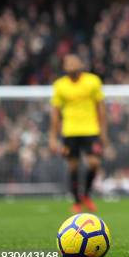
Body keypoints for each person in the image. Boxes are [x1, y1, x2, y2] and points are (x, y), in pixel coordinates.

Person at [49, 54, 108, 213]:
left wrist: (103, 132)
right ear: (64, 67)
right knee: (73, 166)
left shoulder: (93, 81)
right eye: (68, 63)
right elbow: (55, 113)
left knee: (94, 163)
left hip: (91, 130)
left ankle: (86, 195)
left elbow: (100, 108)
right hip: (70, 131)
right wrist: (53, 137)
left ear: (81, 63)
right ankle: (76, 201)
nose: (72, 65)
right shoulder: (60, 85)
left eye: (74, 62)